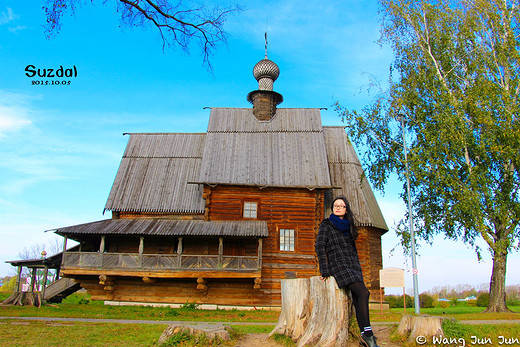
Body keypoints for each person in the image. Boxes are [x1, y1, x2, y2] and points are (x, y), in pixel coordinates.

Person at [315, 196, 379, 347]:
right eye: (335, 205)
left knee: (358, 297)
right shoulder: (327, 224)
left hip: (353, 265)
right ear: (332, 208)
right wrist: (325, 270)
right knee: (364, 293)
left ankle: (365, 335)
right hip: (338, 265)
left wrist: (359, 269)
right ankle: (369, 335)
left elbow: (353, 250)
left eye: (341, 206)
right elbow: (320, 245)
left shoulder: (348, 226)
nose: (338, 207)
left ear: (346, 209)